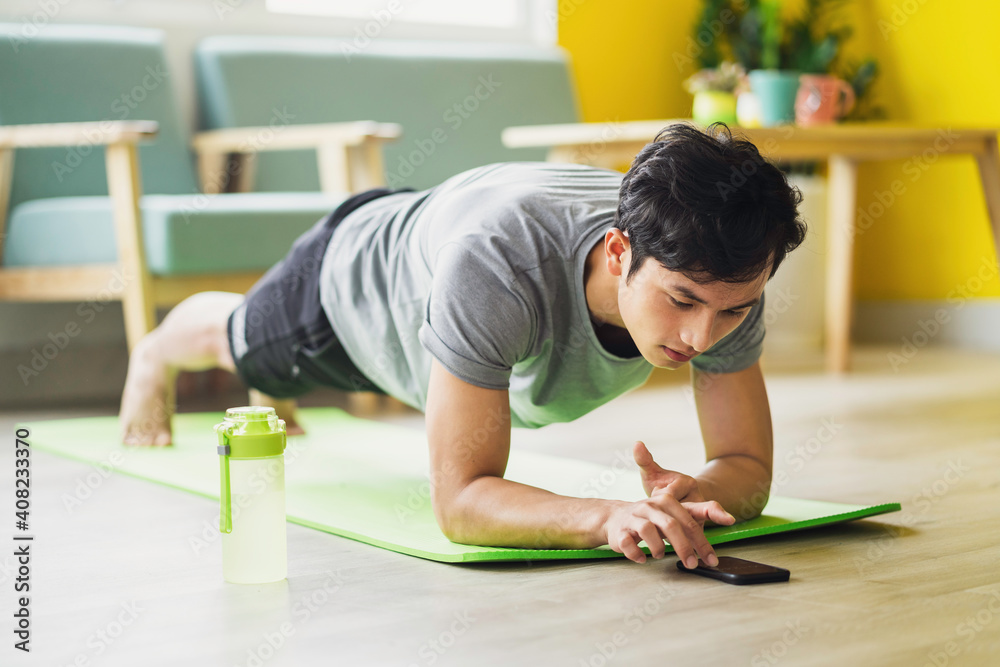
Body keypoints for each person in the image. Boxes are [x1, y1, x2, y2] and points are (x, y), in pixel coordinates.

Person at [119, 122, 806, 567]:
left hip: (444, 246)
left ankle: (274, 389)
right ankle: (156, 351)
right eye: (682, 301)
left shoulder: (725, 271)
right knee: (240, 341)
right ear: (619, 252)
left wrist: (696, 494)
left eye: (731, 312)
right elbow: (461, 501)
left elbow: (745, 461)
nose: (702, 335)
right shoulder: (497, 265)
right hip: (355, 285)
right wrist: (608, 517)